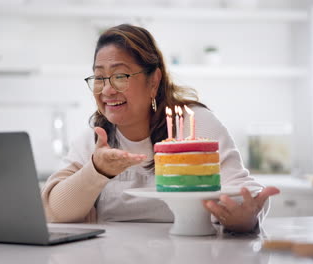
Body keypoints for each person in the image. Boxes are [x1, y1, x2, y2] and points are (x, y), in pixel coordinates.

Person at [41, 24, 279, 233]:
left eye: (120, 76)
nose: (106, 90)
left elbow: (244, 196)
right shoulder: (96, 137)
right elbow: (55, 212)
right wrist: (97, 170)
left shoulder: (194, 124)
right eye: (99, 78)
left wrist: (243, 220)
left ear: (153, 81)